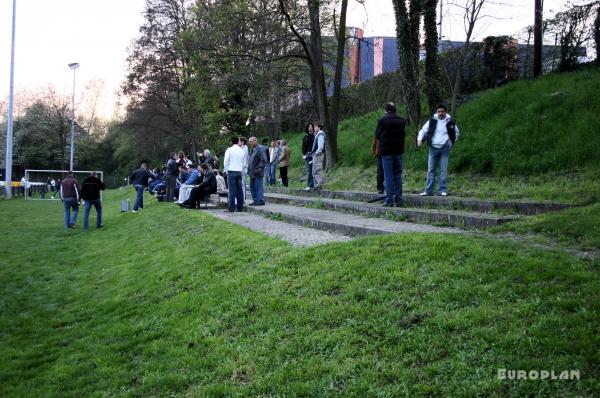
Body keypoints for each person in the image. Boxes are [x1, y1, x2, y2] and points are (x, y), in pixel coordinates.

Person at [416, 104, 460, 196]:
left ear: (445, 112)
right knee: (430, 170)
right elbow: (423, 130)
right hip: (433, 148)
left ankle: (442, 190)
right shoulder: (432, 121)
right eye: (439, 111)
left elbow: (457, 133)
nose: (440, 113)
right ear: (436, 112)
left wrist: (451, 142)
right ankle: (428, 191)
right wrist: (419, 139)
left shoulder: (450, 122)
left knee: (443, 170)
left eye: (442, 111)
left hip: (445, 148)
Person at [375, 102, 406, 207]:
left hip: (386, 152)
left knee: (388, 176)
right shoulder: (402, 121)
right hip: (398, 150)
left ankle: (389, 201)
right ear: (395, 109)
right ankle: (399, 200)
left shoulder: (382, 121)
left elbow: (377, 135)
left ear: (386, 110)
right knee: (398, 175)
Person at [223, 136, 247, 212]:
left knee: (232, 190)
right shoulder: (242, 150)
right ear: (238, 142)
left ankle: (231, 208)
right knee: (239, 190)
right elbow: (244, 163)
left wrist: (227, 171)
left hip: (231, 171)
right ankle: (240, 208)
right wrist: (241, 170)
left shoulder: (229, 150)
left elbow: (226, 162)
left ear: (231, 142)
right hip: (239, 171)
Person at [247, 136, 268, 206]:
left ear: (255, 141)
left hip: (258, 171)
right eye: (249, 141)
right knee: (252, 187)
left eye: (251, 141)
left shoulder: (260, 148)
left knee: (258, 186)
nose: (249, 143)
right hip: (252, 172)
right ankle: (255, 200)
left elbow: (264, 160)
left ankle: (260, 200)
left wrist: (259, 168)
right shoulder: (252, 148)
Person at [311, 122, 326, 191]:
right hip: (317, 155)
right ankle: (318, 185)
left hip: (318, 155)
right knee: (315, 170)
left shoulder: (320, 134)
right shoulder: (318, 134)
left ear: (318, 127)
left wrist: (316, 154)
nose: (313, 128)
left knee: (318, 169)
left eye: (315, 127)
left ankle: (320, 185)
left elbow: (320, 147)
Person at [302, 123, 315, 191]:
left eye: (311, 126)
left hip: (314, 155)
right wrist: (304, 154)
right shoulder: (305, 137)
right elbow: (303, 146)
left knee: (315, 170)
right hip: (308, 155)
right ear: (307, 128)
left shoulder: (315, 136)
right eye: (309, 127)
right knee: (309, 171)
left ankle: (316, 185)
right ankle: (310, 185)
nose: (310, 128)